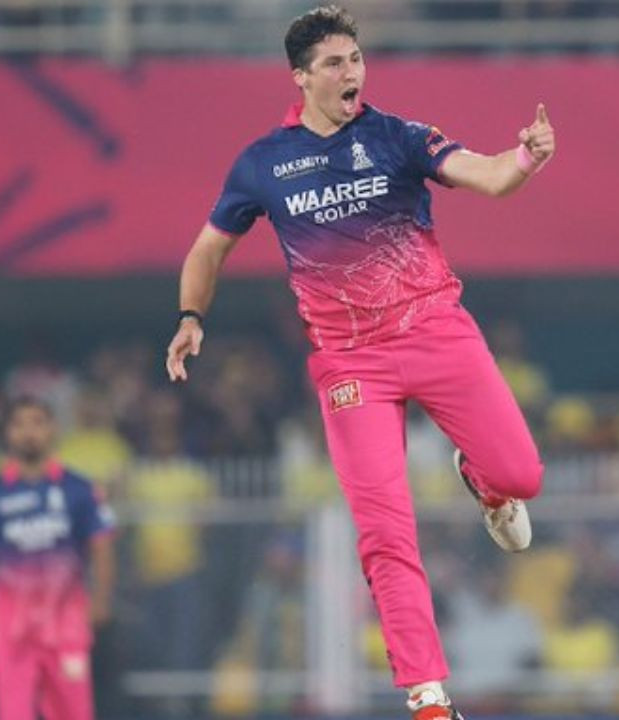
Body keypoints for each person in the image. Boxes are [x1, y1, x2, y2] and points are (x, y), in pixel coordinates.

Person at [164, 6, 552, 718]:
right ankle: (427, 696)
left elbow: (489, 177)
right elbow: (208, 248)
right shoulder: (263, 163)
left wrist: (525, 157)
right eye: (335, 64)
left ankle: (485, 483)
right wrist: (191, 318)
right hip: (351, 365)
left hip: (436, 331)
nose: (353, 73)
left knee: (522, 474)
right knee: (383, 530)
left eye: (356, 59)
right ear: (301, 77)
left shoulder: (397, 136)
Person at [0, 396, 115, 720]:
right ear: (7, 433)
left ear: (52, 429)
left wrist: (101, 601)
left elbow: (102, 547)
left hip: (66, 624)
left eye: (37, 422)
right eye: (19, 424)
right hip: (11, 630)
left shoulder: (79, 490)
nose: (29, 432)